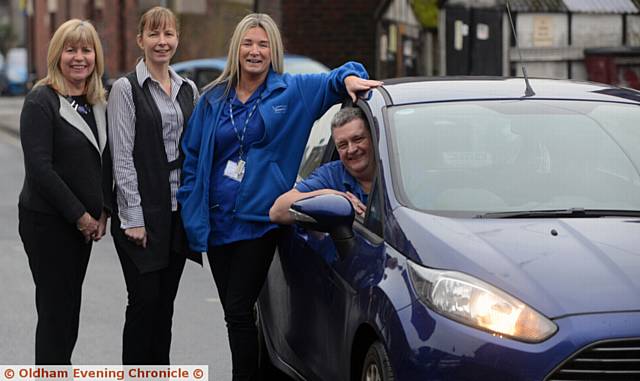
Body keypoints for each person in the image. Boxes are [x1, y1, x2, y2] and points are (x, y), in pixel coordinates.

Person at [178, 13, 381, 380]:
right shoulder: (213, 100)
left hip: (259, 225)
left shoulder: (293, 92)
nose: (255, 51)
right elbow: (193, 158)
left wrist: (349, 77)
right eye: (248, 43)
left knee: (239, 310)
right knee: (235, 314)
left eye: (263, 44)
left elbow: (339, 76)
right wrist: (192, 210)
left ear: (273, 51)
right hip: (217, 224)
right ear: (236, 49)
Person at [107, 6, 199, 365]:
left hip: (176, 214)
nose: (162, 42)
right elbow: (123, 158)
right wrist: (132, 218)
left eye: (169, 34)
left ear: (177, 38)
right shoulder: (125, 89)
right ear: (140, 39)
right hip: (141, 218)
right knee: (143, 304)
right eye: (154, 34)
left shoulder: (188, 88)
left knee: (165, 309)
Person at [18, 19, 110, 364]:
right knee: (56, 314)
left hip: (82, 227)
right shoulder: (41, 100)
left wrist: (104, 211)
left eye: (86, 50)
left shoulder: (97, 101)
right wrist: (82, 216)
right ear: (57, 54)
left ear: (95, 56)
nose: (79, 57)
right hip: (48, 224)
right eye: (70, 50)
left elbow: (106, 162)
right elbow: (41, 170)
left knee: (69, 310)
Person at [269, 107, 374, 224]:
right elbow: (276, 212)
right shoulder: (330, 176)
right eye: (343, 145)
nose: (351, 149)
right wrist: (333, 196)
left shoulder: (395, 170)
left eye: (358, 139)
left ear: (374, 137)